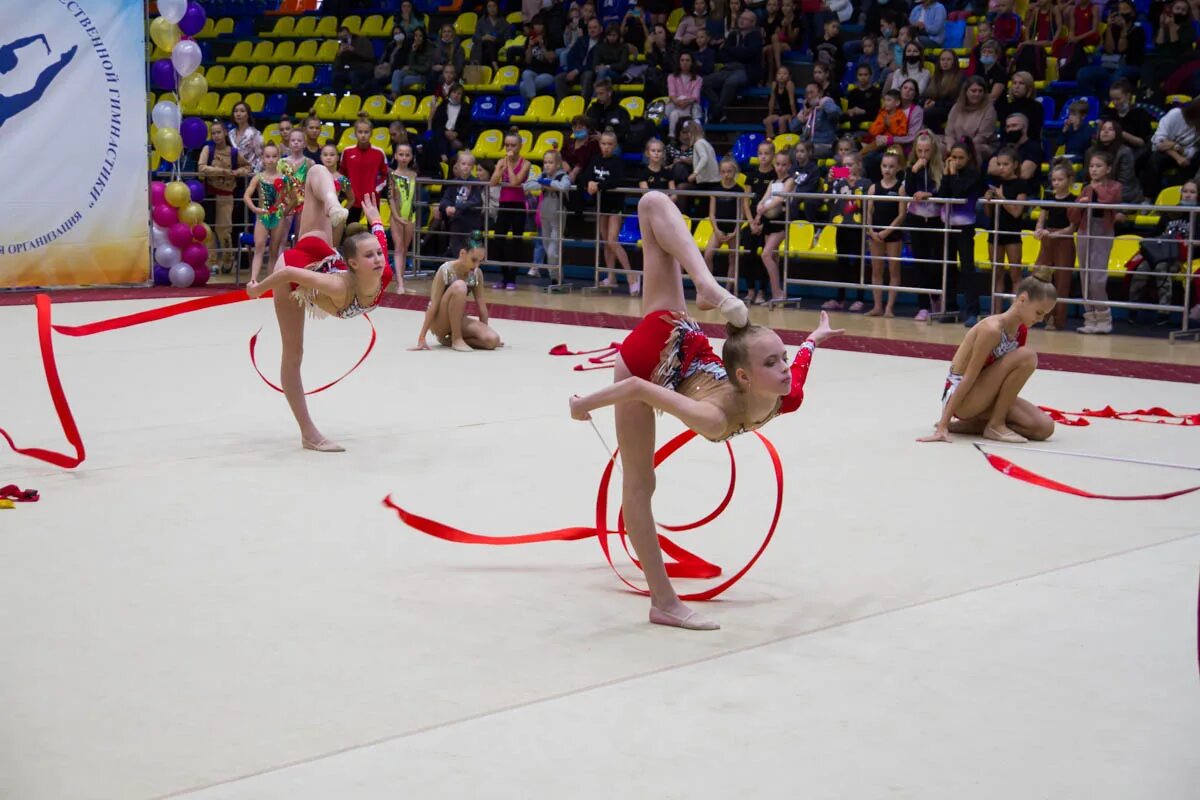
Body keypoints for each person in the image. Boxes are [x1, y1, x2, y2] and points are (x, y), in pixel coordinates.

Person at [568, 191, 844, 631]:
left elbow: (803, 363)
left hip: (677, 328)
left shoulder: (786, 394)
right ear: (746, 378)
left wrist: (815, 338)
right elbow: (637, 386)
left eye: (783, 357)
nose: (786, 369)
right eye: (772, 363)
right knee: (640, 485)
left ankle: (706, 286)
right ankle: (664, 602)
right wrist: (583, 405)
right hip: (645, 360)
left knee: (651, 205)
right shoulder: (713, 417)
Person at [246, 176, 390, 452]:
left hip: (321, 254)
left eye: (378, 255)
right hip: (294, 274)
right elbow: (286, 274)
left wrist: (375, 218)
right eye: (370, 256)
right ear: (353, 264)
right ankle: (308, 433)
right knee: (293, 354)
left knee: (316, 172)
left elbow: (380, 239)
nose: (379, 259)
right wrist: (258, 290)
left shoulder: (384, 271)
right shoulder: (338, 285)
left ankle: (332, 201)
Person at [918, 276, 1057, 444]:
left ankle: (974, 425)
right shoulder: (992, 330)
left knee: (1043, 428)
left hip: (986, 395)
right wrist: (943, 425)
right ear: (1023, 299)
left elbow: (1008, 380)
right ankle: (995, 425)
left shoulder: (1020, 330)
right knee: (1027, 356)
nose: (1040, 320)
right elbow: (969, 376)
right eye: (1039, 313)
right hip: (962, 398)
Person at [413, 231, 503, 352]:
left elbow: (481, 304)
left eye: (480, 261)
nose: (476, 265)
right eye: (474, 260)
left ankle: (448, 340)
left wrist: (484, 332)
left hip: (456, 318)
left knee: (492, 340)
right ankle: (456, 339)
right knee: (460, 286)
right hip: (439, 322)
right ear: (462, 253)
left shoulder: (475, 273)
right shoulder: (446, 270)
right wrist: (422, 337)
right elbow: (433, 304)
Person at [580, 129, 636, 291]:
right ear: (599, 144)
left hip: (615, 206)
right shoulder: (595, 159)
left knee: (612, 240)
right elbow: (585, 176)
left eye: (610, 144)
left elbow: (615, 181)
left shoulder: (618, 162)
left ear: (615, 146)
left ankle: (631, 275)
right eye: (603, 144)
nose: (606, 147)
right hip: (601, 205)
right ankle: (611, 277)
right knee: (606, 243)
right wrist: (589, 182)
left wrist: (598, 185)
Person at [1032, 159, 1080, 331]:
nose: (1056, 183)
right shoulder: (1049, 197)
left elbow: (1072, 227)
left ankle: (1057, 319)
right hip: (1047, 238)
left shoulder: (1074, 200)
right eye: (1054, 180)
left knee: (1062, 280)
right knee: (1040, 275)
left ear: (1069, 180)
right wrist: (1039, 229)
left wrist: (1055, 234)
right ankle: (1038, 315)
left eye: (1060, 179)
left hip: (1063, 240)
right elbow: (1041, 218)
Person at [865, 148, 906, 317]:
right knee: (877, 270)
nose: (887, 169)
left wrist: (887, 231)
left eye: (891, 166)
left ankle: (889, 307)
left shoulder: (900, 188)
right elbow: (868, 212)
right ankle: (877, 306)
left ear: (898, 168)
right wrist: (871, 231)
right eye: (884, 166)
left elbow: (902, 214)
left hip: (892, 234)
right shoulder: (873, 188)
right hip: (875, 234)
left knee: (894, 270)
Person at [489, 129, 531, 290]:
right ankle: (504, 276)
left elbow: (515, 182)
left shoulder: (526, 163)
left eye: (513, 145)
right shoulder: (501, 161)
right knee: (499, 240)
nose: (509, 148)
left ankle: (512, 278)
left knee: (516, 242)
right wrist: (501, 168)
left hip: (518, 206)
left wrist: (508, 166)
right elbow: (493, 182)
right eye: (507, 145)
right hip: (504, 205)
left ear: (520, 146)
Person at [244, 143, 291, 285]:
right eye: (267, 156)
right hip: (262, 215)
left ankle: (271, 281)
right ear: (262, 159)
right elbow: (246, 196)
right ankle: (253, 280)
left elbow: (294, 198)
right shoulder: (259, 177)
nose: (271, 160)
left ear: (279, 158)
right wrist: (255, 209)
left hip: (277, 216)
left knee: (274, 249)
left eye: (274, 156)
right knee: (259, 246)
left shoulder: (284, 178)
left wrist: (285, 211)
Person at [338, 115, 387, 225]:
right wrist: (348, 191)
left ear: (371, 133)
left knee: (374, 231)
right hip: (353, 200)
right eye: (360, 132)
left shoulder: (379, 152)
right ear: (355, 133)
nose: (363, 135)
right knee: (350, 230)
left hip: (372, 200)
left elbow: (384, 175)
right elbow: (341, 174)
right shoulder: (347, 152)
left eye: (366, 132)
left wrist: (376, 190)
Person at [388, 141, 417, 292]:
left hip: (410, 216)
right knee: (398, 248)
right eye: (401, 154)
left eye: (407, 155)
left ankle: (402, 280)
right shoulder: (392, 175)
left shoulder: (414, 175)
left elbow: (415, 198)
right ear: (395, 156)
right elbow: (391, 198)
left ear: (411, 157)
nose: (404, 157)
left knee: (404, 249)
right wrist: (397, 216)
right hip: (397, 216)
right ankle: (400, 284)